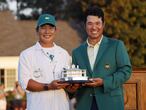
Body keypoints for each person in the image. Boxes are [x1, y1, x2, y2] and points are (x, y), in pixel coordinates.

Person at [68, 5, 132, 110]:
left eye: (97, 23)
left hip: (111, 103)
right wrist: (74, 86)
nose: (94, 27)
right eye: (90, 23)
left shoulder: (116, 45)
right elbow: (76, 79)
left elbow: (126, 71)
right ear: (85, 25)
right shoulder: (77, 52)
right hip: (85, 104)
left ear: (103, 25)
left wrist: (104, 82)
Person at [18, 13, 71, 110]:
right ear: (37, 30)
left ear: (55, 30)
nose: (47, 31)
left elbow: (69, 82)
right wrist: (49, 86)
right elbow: (26, 83)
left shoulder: (64, 54)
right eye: (43, 27)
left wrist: (73, 86)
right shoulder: (26, 55)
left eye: (51, 28)